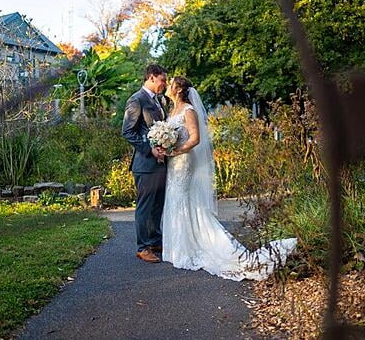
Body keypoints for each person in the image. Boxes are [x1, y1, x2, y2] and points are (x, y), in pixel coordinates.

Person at [161, 76, 297, 281]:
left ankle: (189, 249)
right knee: (176, 199)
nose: (168, 87)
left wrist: (176, 150)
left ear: (179, 90)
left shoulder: (188, 110)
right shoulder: (172, 111)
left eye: (171, 84)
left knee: (182, 199)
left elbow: (195, 138)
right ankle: (177, 249)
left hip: (183, 161)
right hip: (173, 162)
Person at [122, 64, 168, 263]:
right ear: (151, 78)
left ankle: (155, 240)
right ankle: (143, 247)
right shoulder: (136, 100)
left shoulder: (159, 101)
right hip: (145, 164)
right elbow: (128, 132)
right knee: (145, 207)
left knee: (158, 205)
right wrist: (149, 149)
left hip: (160, 163)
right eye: (162, 80)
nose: (164, 84)